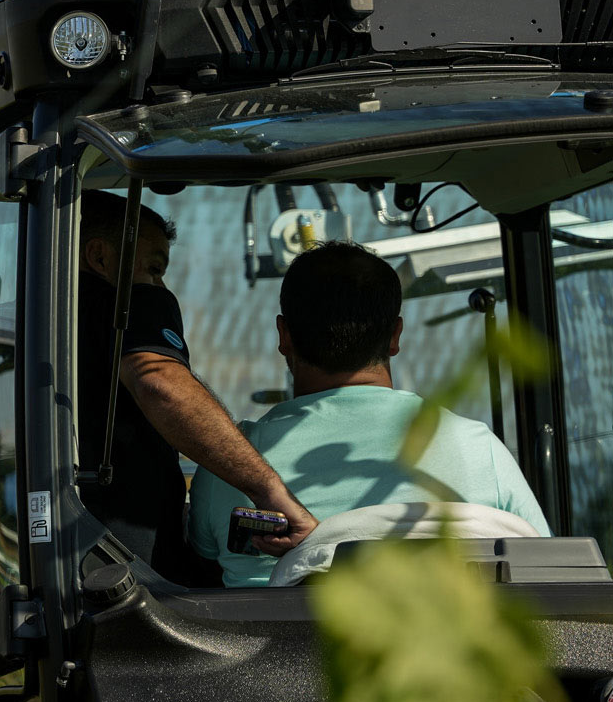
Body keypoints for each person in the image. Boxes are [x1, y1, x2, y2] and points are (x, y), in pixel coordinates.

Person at [189, 242, 550, 586]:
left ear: (284, 335)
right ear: (395, 336)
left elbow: (199, 571)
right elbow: (548, 568)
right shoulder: (480, 449)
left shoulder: (227, 460)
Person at [78, 191, 315, 584]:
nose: (159, 283)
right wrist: (270, 491)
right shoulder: (127, 304)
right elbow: (159, 381)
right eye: (154, 268)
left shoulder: (36, 328)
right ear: (100, 257)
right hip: (131, 571)